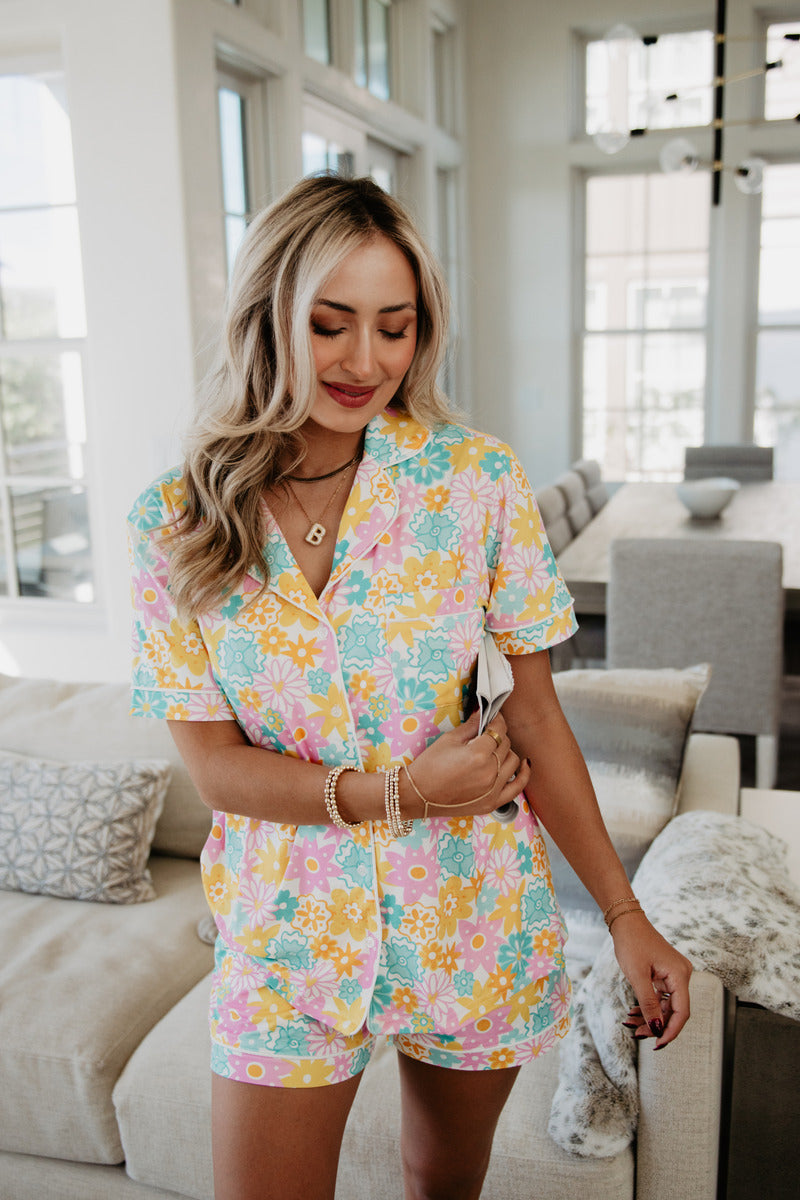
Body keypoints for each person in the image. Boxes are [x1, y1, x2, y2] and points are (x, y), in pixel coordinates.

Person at [128, 174, 692, 1200]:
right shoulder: (175, 520)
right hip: (283, 937)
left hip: (469, 914)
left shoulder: (475, 482)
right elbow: (215, 770)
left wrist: (622, 914)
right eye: (330, 324)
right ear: (265, 319)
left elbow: (533, 714)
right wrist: (400, 794)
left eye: (395, 327)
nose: (364, 361)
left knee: (443, 1187)